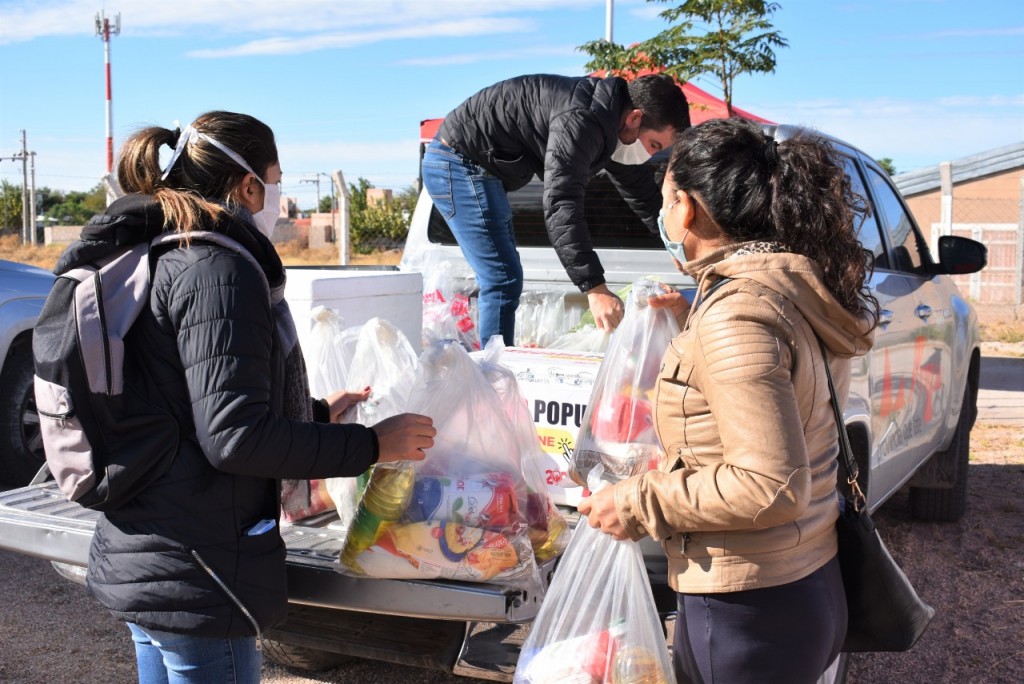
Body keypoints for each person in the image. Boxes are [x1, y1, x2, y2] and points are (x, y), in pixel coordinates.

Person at [71, 111, 436, 683]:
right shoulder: (219, 268)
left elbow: (182, 401)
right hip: (198, 561)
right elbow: (236, 439)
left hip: (146, 539)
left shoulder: (157, 250)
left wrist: (317, 414)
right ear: (248, 185)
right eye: (276, 180)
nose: (279, 199)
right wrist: (370, 444)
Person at [577, 117, 879, 683]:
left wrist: (636, 502)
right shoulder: (786, 289)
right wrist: (691, 324)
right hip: (803, 581)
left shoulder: (739, 315)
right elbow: (782, 395)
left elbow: (769, 484)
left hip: (749, 609)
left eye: (665, 201)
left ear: (688, 209)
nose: (663, 216)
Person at [422, 73, 691, 346]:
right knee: (502, 278)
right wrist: (595, 288)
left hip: (480, 166)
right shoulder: (582, 120)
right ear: (634, 118)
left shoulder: (610, 123)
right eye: (654, 145)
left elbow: (643, 195)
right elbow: (562, 201)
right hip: (457, 161)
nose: (649, 154)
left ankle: (496, 363)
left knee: (505, 277)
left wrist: (677, 245)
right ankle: (494, 369)